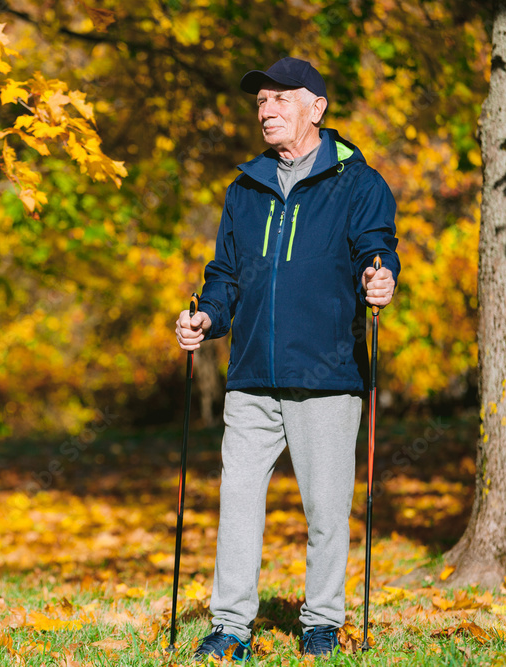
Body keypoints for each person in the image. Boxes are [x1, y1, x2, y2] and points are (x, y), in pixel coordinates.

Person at [174, 56, 399, 661]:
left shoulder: (358, 183)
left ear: (316, 108)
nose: (267, 110)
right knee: (238, 501)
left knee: (326, 510)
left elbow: (375, 249)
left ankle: (322, 621)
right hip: (249, 377)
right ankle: (230, 628)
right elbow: (224, 277)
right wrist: (205, 318)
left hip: (326, 377)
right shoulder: (243, 189)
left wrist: (381, 278)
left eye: (280, 99)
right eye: (260, 103)